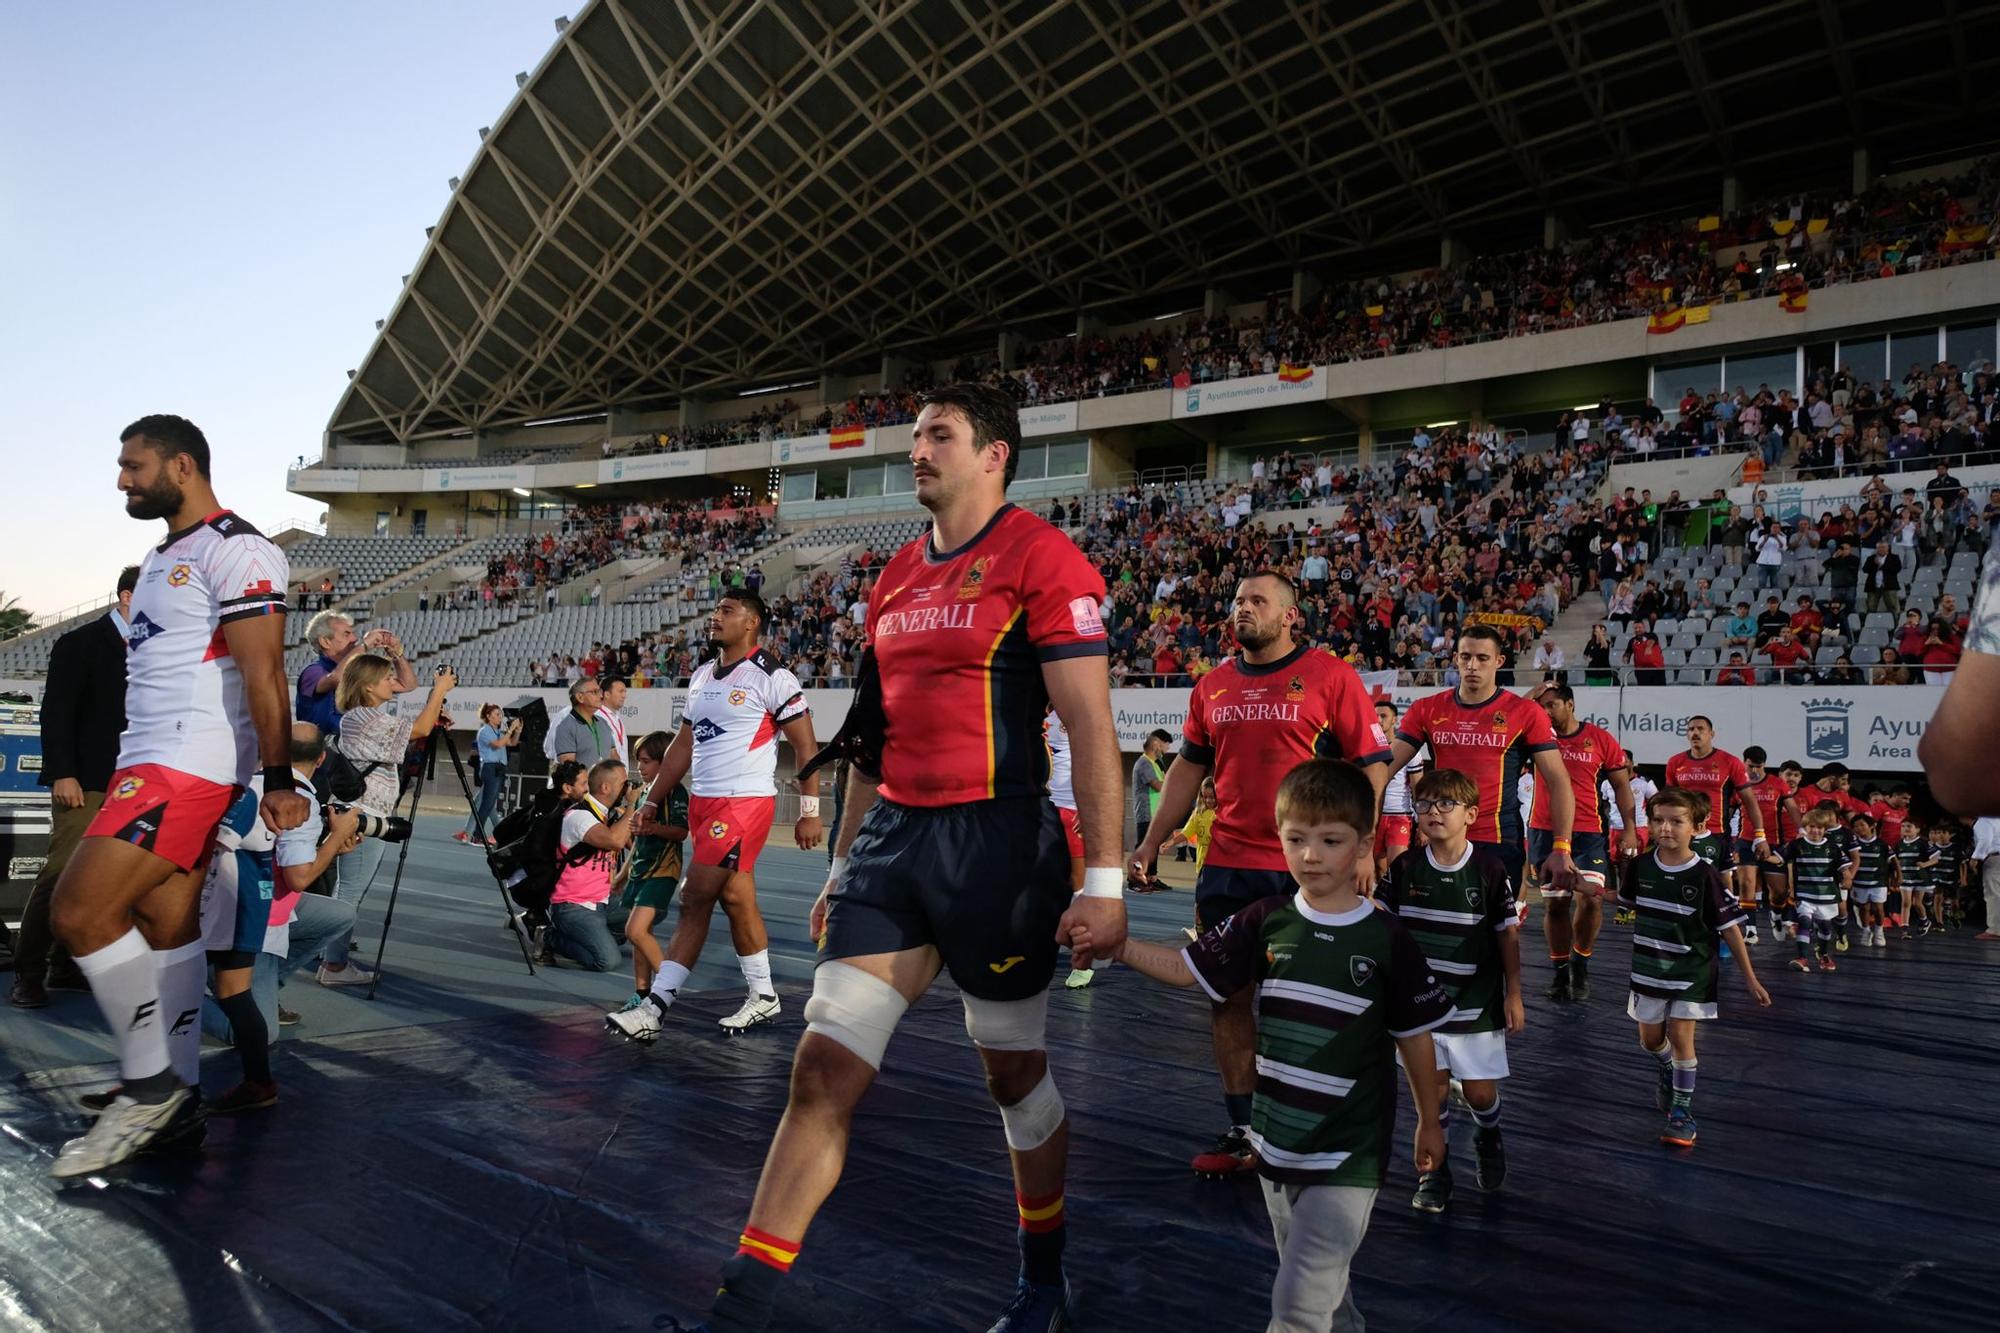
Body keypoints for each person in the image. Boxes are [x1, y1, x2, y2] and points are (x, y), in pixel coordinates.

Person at [683, 383, 1127, 1333]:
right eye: (916, 435)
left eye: (940, 435)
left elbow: (1092, 727)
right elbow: (872, 744)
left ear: (994, 454)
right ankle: (740, 1309)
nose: (918, 449)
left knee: (1012, 1079)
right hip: (894, 848)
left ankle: (1042, 1278)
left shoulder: (1042, 557)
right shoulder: (891, 578)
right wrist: (845, 867)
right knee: (820, 1071)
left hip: (1000, 850)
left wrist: (1106, 883)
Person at [1084, 759, 1449, 1332]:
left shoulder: (1386, 938)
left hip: (1347, 1155)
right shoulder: (1266, 920)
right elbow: (1188, 968)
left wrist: (1431, 1119)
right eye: (1296, 839)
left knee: (1299, 1304)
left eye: (1330, 841)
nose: (1311, 855)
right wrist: (1120, 946)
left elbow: (1415, 1036)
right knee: (1327, 1293)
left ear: (1362, 844)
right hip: (1275, 1146)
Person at [48, 415, 307, 1177]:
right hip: (153, 761)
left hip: (184, 767)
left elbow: (266, 675)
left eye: (134, 465)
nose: (123, 479)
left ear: (182, 465)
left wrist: (280, 777)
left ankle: (150, 1084)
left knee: (79, 911)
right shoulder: (162, 557)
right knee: (167, 927)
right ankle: (180, 1093)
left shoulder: (240, 550)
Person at [1128, 570, 1390, 1178]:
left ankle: (1323, 1124)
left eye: (1256, 601)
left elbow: (1373, 765)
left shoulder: (1330, 676)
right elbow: (1187, 775)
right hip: (1226, 871)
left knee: (1315, 1005)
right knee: (1228, 999)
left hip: (1308, 874)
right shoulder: (1212, 686)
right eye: (1237, 600)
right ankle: (1246, 1128)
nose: (1241, 609)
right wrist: (1149, 841)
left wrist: (1364, 847)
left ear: (1290, 616)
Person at [605, 588, 820, 1036]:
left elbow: (806, 746)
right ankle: (763, 996)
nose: (715, 617)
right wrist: (648, 801)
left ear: (752, 622)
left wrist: (810, 810)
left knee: (694, 896)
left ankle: (654, 1009)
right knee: (736, 897)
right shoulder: (702, 675)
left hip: (743, 804)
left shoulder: (773, 677)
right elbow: (682, 747)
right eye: (715, 609)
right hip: (704, 803)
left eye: (727, 610)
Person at [1376, 768, 1521, 1214]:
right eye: (1424, 805)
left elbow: (1507, 935)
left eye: (1445, 805)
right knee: (1431, 1093)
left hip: (1475, 1003)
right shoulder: (1404, 867)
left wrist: (1513, 992)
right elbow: (1382, 924)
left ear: (1471, 814)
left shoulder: (1489, 869)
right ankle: (1435, 1173)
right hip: (1418, 1005)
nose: (1433, 812)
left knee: (1479, 1094)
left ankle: (1488, 1132)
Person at [10, 564, 138, 1010]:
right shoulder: (80, 642)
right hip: (85, 780)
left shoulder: (159, 648)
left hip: (135, 783)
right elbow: (57, 713)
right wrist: (63, 771)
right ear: (126, 597)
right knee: (61, 874)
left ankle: (65, 965)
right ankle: (27, 972)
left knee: (105, 881)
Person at [1619, 787, 1770, 1149]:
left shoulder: (1705, 874)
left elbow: (1729, 928)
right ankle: (1667, 1068)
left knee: (1684, 1038)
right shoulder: (1639, 867)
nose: (1665, 828)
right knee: (1650, 1040)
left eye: (1676, 821)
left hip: (1692, 972)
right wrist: (1585, 887)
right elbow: (1625, 902)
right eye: (1658, 820)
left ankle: (1682, 1114)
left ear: (1697, 827)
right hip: (1648, 970)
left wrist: (1750, 978)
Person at [1388, 623, 1577, 895]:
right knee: (1438, 928)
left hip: (1499, 841)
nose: (1472, 665)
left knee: (1499, 934)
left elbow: (1558, 781)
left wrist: (1561, 846)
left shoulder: (1525, 712)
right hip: (1443, 840)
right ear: (1455, 659)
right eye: (1465, 657)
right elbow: (1384, 767)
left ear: (1499, 661)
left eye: (1482, 658)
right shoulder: (1426, 708)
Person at [324, 654, 454, 983]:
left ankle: (332, 959)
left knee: (351, 889)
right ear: (368, 685)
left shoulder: (368, 716)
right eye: (386, 679)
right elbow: (420, 727)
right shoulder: (362, 718)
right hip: (362, 813)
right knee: (350, 892)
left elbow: (415, 731)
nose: (393, 684)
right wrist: (439, 689)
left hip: (368, 812)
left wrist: (433, 705)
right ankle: (333, 965)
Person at [1524, 683, 1636, 1002]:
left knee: (1591, 900)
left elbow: (1621, 786)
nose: (1545, 711)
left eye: (1553, 705)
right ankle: (1560, 974)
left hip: (1588, 832)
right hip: (1545, 830)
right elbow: (1510, 715)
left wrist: (1629, 828)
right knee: (1556, 904)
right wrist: (1533, 693)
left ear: (1570, 704)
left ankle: (1580, 964)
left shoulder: (1600, 739)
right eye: (1541, 705)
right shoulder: (1537, 735)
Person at [1664, 717, 1770, 931]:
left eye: (1700, 729)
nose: (1695, 733)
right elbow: (1668, 799)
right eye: (1691, 729)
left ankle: (1727, 926)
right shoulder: (1675, 762)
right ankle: (1685, 928)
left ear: (1712, 734)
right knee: (1682, 881)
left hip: (1717, 834)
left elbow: (1749, 800)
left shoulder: (1729, 761)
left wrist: (1760, 835)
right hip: (1683, 834)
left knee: (1723, 883)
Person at [611, 730, 691, 1010]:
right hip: (640, 872)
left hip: (661, 871)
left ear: (664, 762)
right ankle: (642, 994)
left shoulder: (674, 791)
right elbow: (639, 839)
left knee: (635, 930)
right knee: (642, 935)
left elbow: (681, 832)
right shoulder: (646, 792)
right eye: (639, 761)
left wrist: (654, 827)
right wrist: (622, 874)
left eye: (646, 761)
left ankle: (669, 990)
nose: (640, 768)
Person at [539, 759, 642, 970]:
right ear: (605, 787)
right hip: (574, 906)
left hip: (603, 901)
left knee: (650, 908)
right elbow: (614, 841)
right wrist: (632, 804)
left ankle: (601, 936)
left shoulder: (609, 815)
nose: (628, 787)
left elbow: (634, 846)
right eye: (624, 783)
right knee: (606, 961)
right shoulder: (579, 816)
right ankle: (549, 937)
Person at [294, 611, 415, 734]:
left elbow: (407, 684)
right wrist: (365, 646)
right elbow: (337, 679)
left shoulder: (357, 670)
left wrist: (396, 654)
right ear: (325, 642)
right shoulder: (313, 672)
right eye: (346, 634)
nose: (354, 639)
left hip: (349, 748)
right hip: (321, 749)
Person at [1740, 747, 1803, 940]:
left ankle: (1775, 914)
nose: (1755, 771)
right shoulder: (1738, 783)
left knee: (1779, 893)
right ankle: (1751, 929)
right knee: (1746, 885)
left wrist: (1802, 830)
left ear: (1765, 765)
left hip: (1773, 842)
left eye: (1759, 767)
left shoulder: (1778, 784)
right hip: (1746, 840)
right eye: (1751, 766)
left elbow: (1792, 807)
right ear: (1744, 763)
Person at [1785, 805, 1847, 972]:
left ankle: (1824, 954)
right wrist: (1764, 856)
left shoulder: (1833, 847)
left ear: (1825, 829)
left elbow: (1844, 866)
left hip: (1826, 894)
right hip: (1804, 894)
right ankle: (1802, 958)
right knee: (1804, 921)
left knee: (1826, 928)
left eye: (1819, 827)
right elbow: (1780, 858)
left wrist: (1847, 877)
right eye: (1811, 827)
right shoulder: (1796, 845)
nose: (1815, 830)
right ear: (1805, 828)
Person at [457, 704, 522, 845]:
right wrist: (510, 729)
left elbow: (512, 743)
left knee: (489, 803)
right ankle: (477, 836)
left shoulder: (498, 732)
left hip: (499, 768)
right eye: (497, 714)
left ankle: (477, 834)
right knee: (486, 804)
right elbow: (497, 745)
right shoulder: (485, 731)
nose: (500, 717)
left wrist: (517, 731)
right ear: (488, 716)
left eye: (500, 714)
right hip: (490, 767)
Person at [1371, 698, 1422, 877]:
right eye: (1375, 716)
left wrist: (1422, 824)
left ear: (1395, 719)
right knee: (1379, 870)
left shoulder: (1410, 751)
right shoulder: (1368, 749)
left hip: (1399, 816)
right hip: (1375, 816)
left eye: (1383, 716)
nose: (1378, 720)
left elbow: (1418, 788)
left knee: (1398, 866)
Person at [1841, 812, 1895, 948]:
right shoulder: (1853, 844)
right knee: (1863, 909)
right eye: (1855, 826)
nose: (1859, 828)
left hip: (1878, 882)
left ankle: (1879, 931)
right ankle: (1866, 931)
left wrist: (1897, 876)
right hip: (1859, 882)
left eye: (1862, 825)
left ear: (1872, 826)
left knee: (1878, 909)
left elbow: (1894, 861)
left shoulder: (1881, 843)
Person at [1130, 729, 1170, 876]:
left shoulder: (1155, 763)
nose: (1167, 749)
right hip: (1146, 813)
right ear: (1155, 744)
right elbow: (1158, 786)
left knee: (1153, 846)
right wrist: (1171, 780)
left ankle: (1152, 877)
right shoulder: (1144, 763)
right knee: (1142, 846)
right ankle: (1134, 879)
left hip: (1155, 813)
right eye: (1165, 745)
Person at [550, 678, 613, 767]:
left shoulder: (604, 723)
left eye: (600, 691)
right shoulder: (565, 727)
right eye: (595, 692)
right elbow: (570, 770)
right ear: (580, 697)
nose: (601, 696)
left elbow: (614, 756)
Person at [1977, 817, 2000, 940]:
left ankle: (1995, 930)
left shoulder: (1985, 820)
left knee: (1994, 894)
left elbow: (1985, 839)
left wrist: (1976, 857)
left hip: (1996, 858)